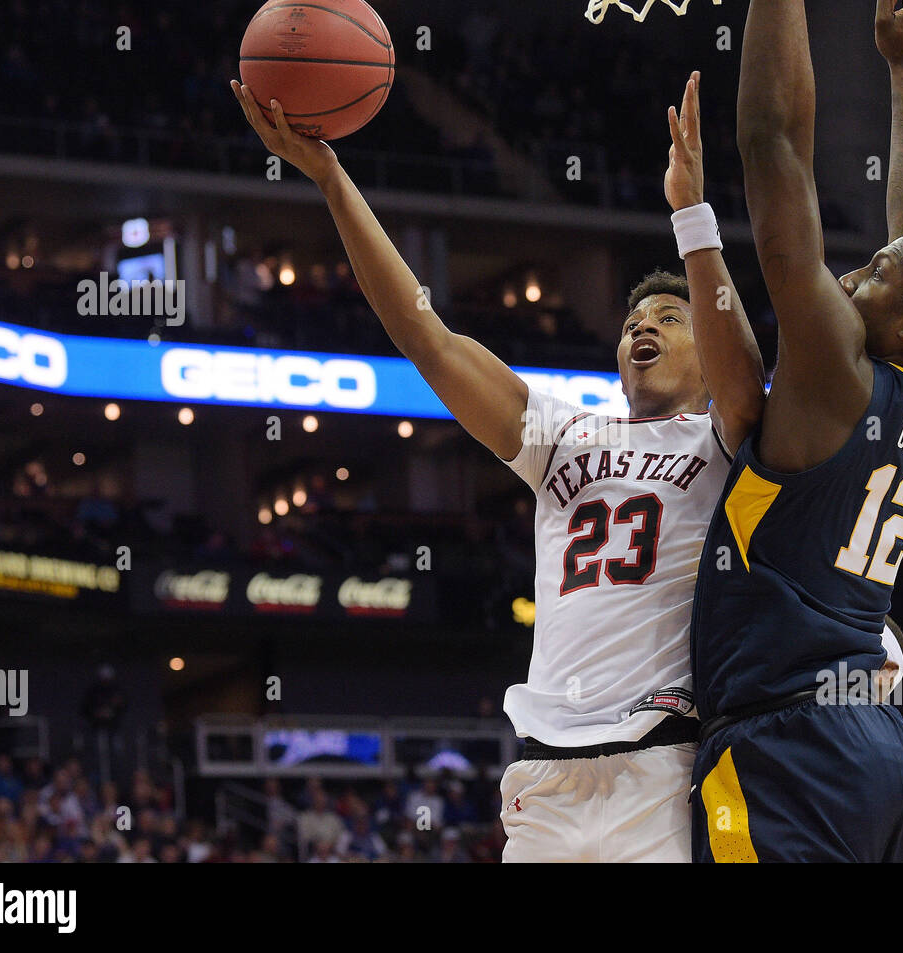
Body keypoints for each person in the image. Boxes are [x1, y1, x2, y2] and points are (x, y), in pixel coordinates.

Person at [230, 74, 767, 863]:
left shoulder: (725, 442)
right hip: (544, 775)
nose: (641, 329)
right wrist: (332, 180)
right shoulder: (561, 436)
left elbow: (745, 375)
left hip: (661, 762)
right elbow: (427, 336)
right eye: (631, 323)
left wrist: (691, 216)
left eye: (668, 318)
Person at [689, 0, 903, 861]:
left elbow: (773, 145)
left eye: (874, 274)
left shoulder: (836, 372)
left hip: (787, 751)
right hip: (881, 758)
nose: (855, 270)